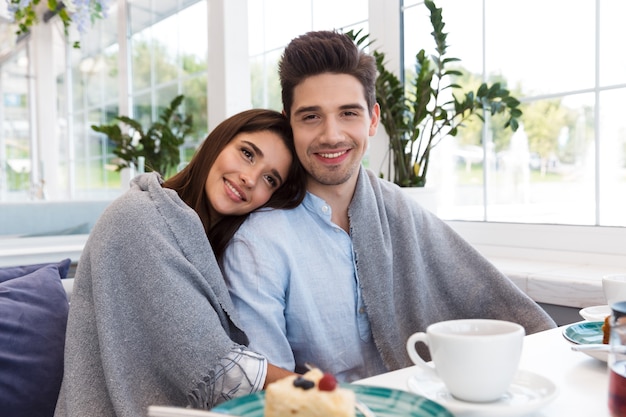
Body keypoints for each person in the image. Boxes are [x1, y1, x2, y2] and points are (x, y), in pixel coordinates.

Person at [221, 31, 557, 383]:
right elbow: (264, 390)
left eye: (348, 113)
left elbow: (492, 300)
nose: (331, 135)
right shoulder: (258, 243)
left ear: (373, 119)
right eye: (311, 117)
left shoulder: (399, 210)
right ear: (289, 121)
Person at [55, 109, 306, 417]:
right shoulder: (138, 217)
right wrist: (320, 392)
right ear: (217, 142)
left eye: (270, 178)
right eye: (247, 153)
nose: (250, 178)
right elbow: (213, 367)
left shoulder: (214, 245)